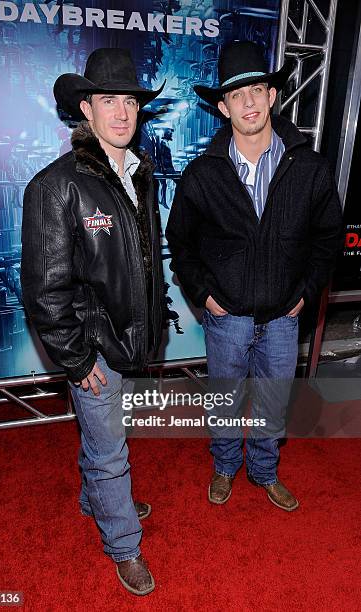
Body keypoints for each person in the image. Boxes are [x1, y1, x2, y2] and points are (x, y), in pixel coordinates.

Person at [166, 41, 342, 512]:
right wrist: (204, 294)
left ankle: (264, 471)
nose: (248, 101)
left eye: (257, 90)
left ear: (271, 97)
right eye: (237, 94)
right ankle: (225, 466)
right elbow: (179, 242)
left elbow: (328, 239)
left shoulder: (310, 167)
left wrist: (305, 293)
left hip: (285, 316)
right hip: (228, 318)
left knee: (273, 403)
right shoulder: (202, 174)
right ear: (222, 108)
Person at [21, 48, 165, 596]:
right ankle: (124, 544)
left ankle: (100, 499)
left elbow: (143, 263)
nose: (123, 112)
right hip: (95, 351)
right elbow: (44, 288)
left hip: (132, 341)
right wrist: (78, 361)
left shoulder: (140, 174)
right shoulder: (55, 185)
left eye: (129, 101)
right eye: (110, 101)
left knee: (105, 444)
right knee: (111, 453)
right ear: (87, 109)